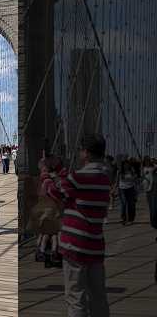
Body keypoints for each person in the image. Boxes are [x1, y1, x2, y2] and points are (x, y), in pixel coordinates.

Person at [39, 134, 110, 317]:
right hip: (95, 246)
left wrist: (44, 172)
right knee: (98, 297)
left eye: (81, 150)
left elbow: (54, 191)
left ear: (85, 153)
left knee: (75, 297)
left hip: (75, 246)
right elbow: (70, 186)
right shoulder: (104, 178)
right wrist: (60, 167)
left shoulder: (79, 177)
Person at [117, 159, 137, 225]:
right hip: (122, 189)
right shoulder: (119, 172)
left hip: (131, 188)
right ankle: (123, 219)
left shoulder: (132, 171)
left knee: (131, 204)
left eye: (127, 164)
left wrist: (134, 177)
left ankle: (130, 219)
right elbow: (117, 181)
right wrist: (114, 189)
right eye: (125, 164)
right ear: (123, 165)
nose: (126, 165)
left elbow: (135, 179)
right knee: (123, 204)